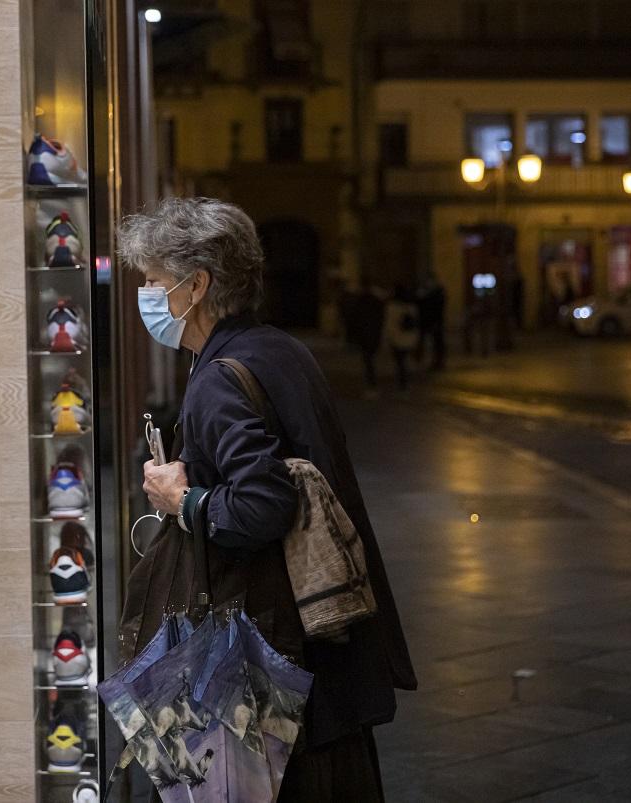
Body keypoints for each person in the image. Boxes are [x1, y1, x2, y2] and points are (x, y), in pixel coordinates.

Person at [116, 198, 416, 802]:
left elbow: (263, 503)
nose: (146, 295)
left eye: (152, 281)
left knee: (226, 785)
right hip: (323, 642)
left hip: (264, 652)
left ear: (196, 284)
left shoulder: (220, 377)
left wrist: (182, 499)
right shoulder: (278, 348)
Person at [384, 285, 420, 390]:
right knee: (406, 361)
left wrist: (389, 338)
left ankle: (402, 382)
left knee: (400, 362)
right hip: (409, 338)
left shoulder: (392, 307)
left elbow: (389, 324)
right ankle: (406, 381)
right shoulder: (412, 307)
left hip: (397, 338)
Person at [415, 271, 446, 371]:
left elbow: (439, 307)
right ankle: (423, 359)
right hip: (426, 321)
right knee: (426, 341)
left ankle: (438, 361)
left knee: (437, 342)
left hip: (435, 321)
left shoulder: (437, 292)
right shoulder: (425, 292)